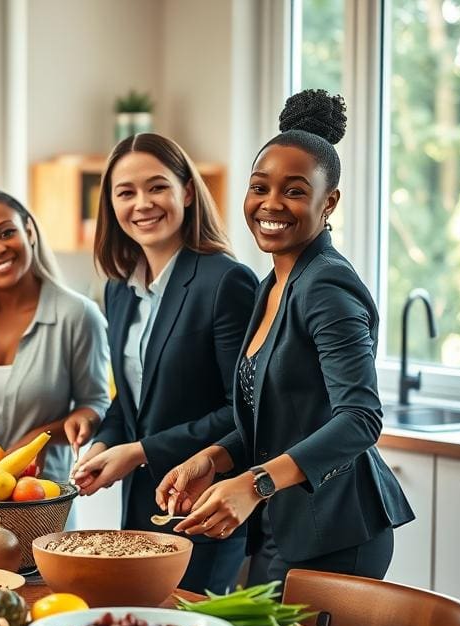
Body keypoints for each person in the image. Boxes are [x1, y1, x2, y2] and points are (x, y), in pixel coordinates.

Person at [158, 89, 414, 585]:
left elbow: (360, 419)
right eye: (259, 187)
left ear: (328, 202)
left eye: (295, 191)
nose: (271, 203)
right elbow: (282, 419)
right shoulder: (272, 285)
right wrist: (212, 458)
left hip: (337, 531)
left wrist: (254, 484)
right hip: (285, 521)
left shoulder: (327, 286)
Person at [69, 133, 258, 594]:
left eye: (157, 187)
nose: (142, 204)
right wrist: (104, 442)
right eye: (125, 192)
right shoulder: (118, 288)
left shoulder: (225, 281)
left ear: (187, 192)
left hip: (205, 507)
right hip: (141, 508)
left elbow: (245, 412)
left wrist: (140, 451)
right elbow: (132, 398)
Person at [0, 188, 111, 488]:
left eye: (6, 233)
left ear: (29, 231)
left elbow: (96, 405)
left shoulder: (77, 315)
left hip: (39, 492)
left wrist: (40, 438)